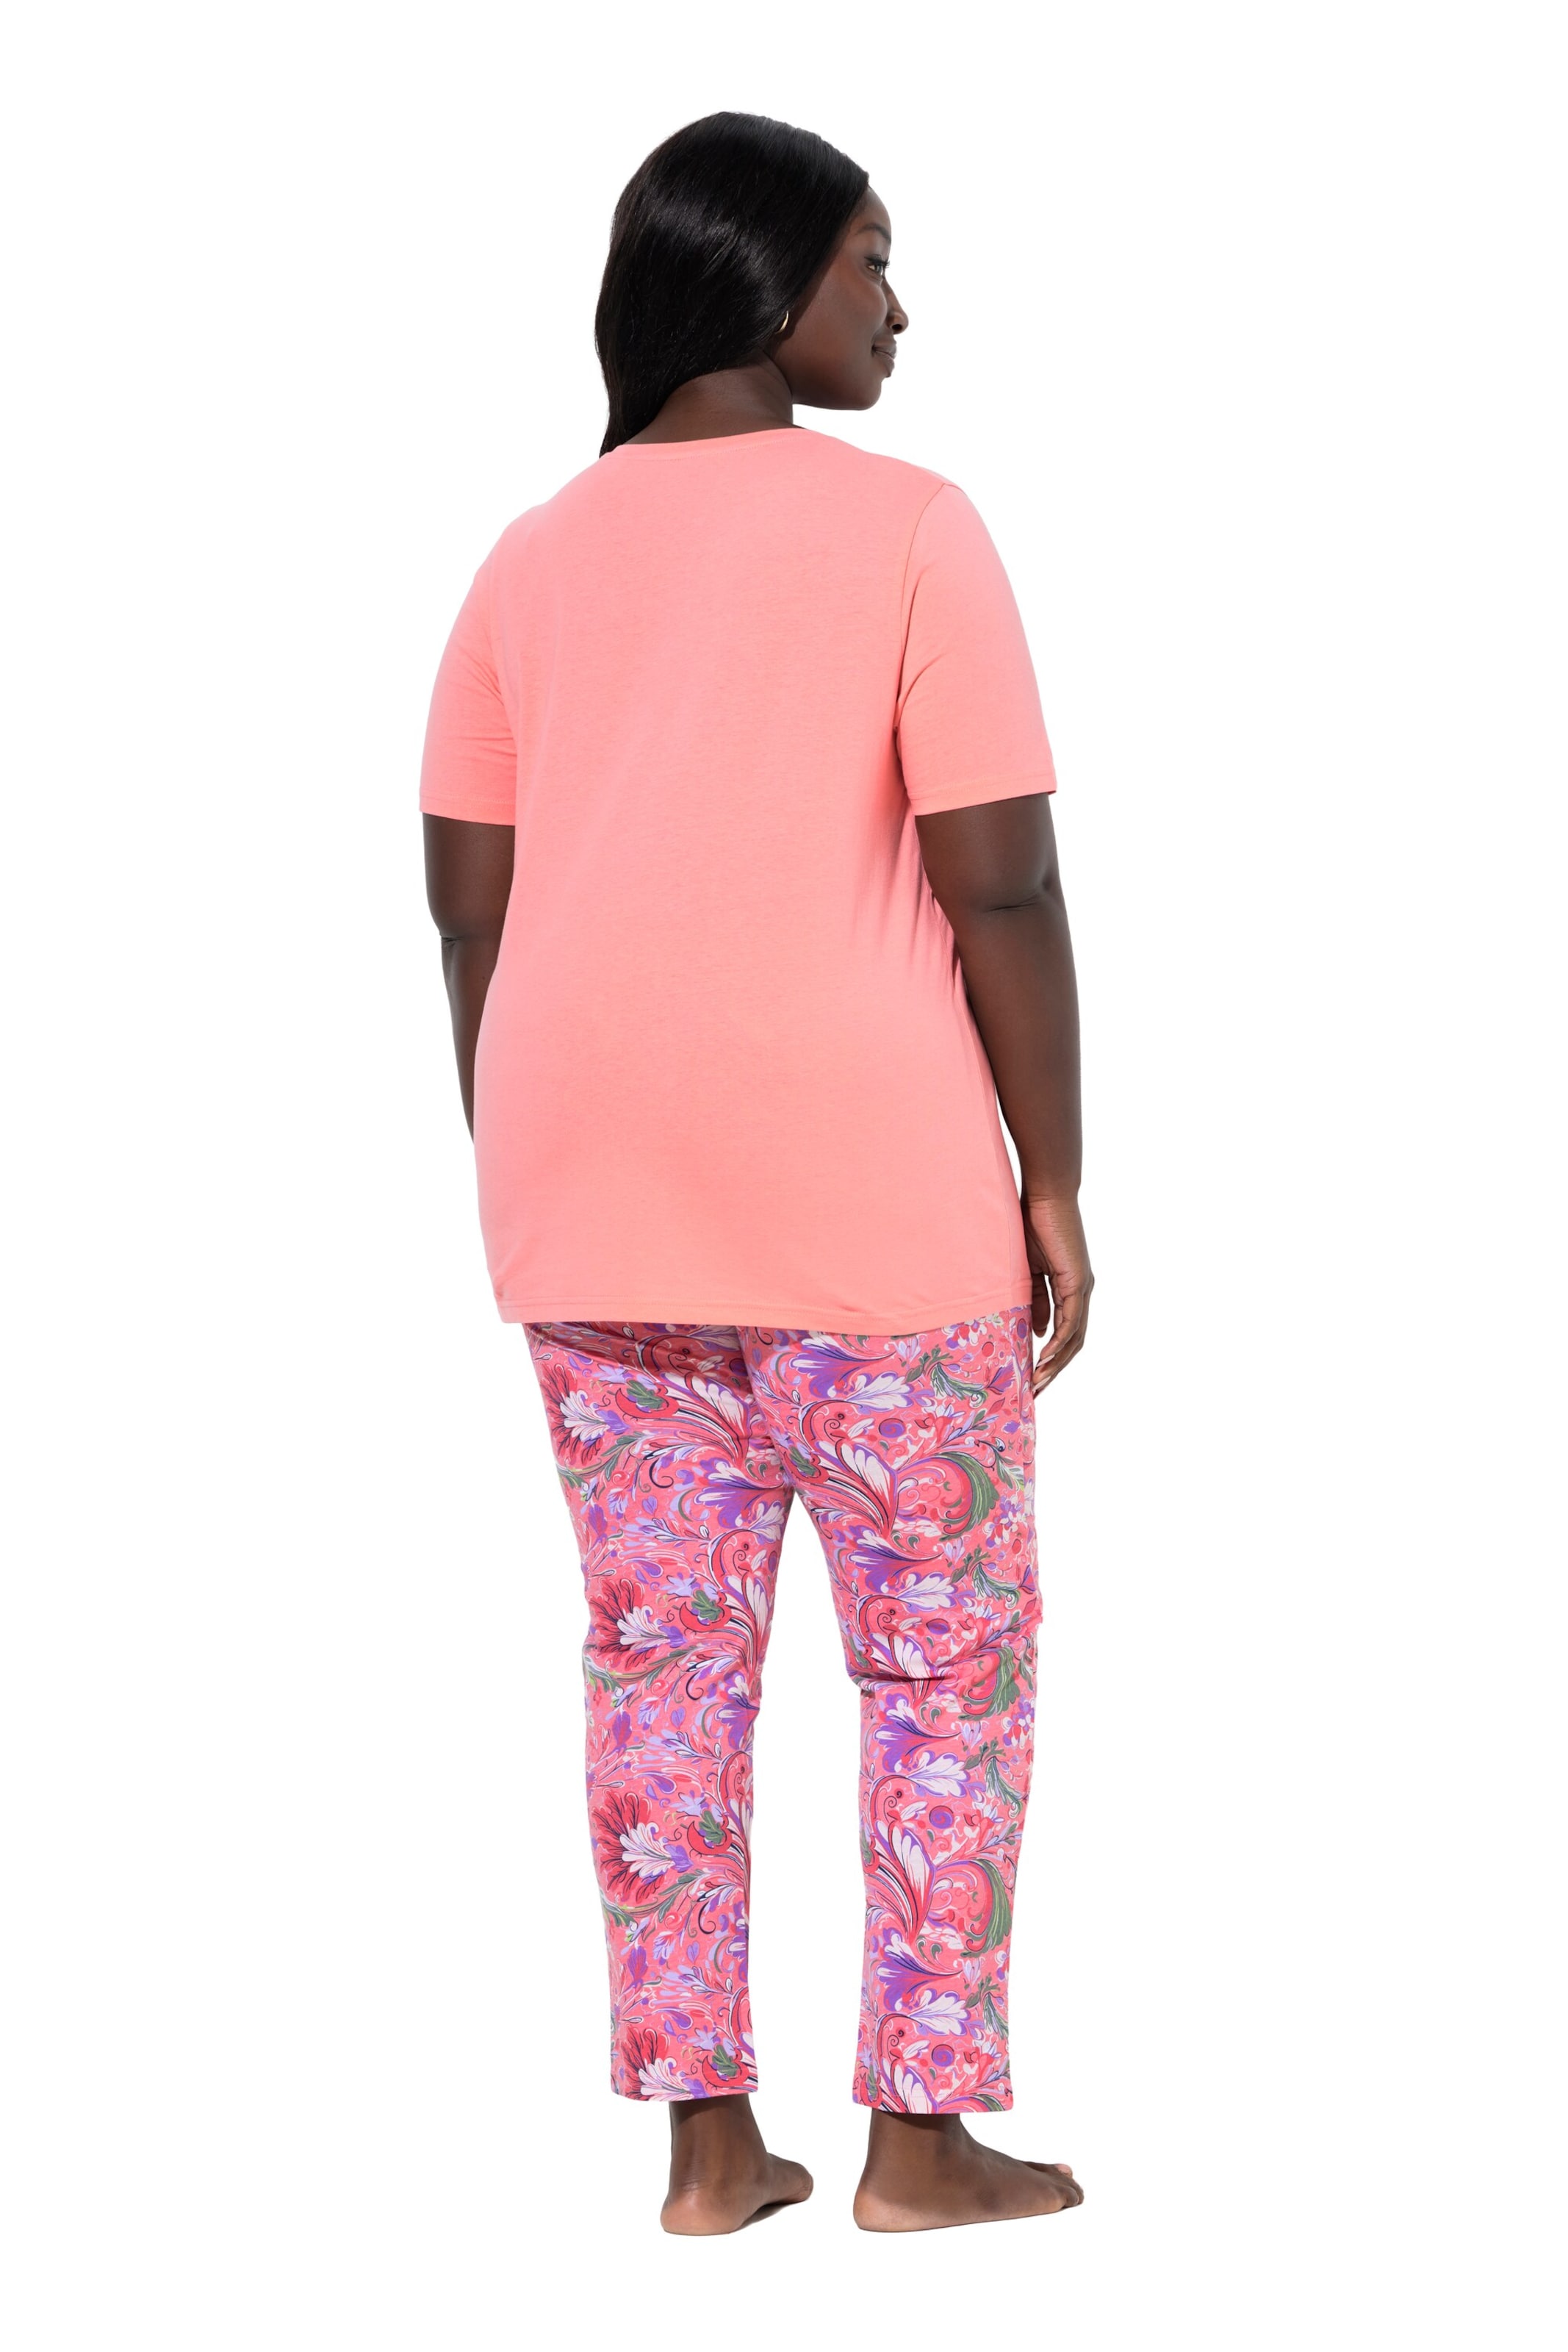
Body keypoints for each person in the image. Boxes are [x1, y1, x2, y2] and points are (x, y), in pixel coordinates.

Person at [419, 110, 1092, 2236]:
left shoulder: (527, 557)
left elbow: (468, 909)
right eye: (873, 260)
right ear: (772, 277)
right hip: (877, 1206)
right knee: (945, 1668)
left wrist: (544, 1146)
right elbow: (1001, 881)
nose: (898, 306)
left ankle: (709, 2154)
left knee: (662, 1669)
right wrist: (1055, 1178)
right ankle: (922, 2141)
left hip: (592, 1215)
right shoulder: (912, 528)